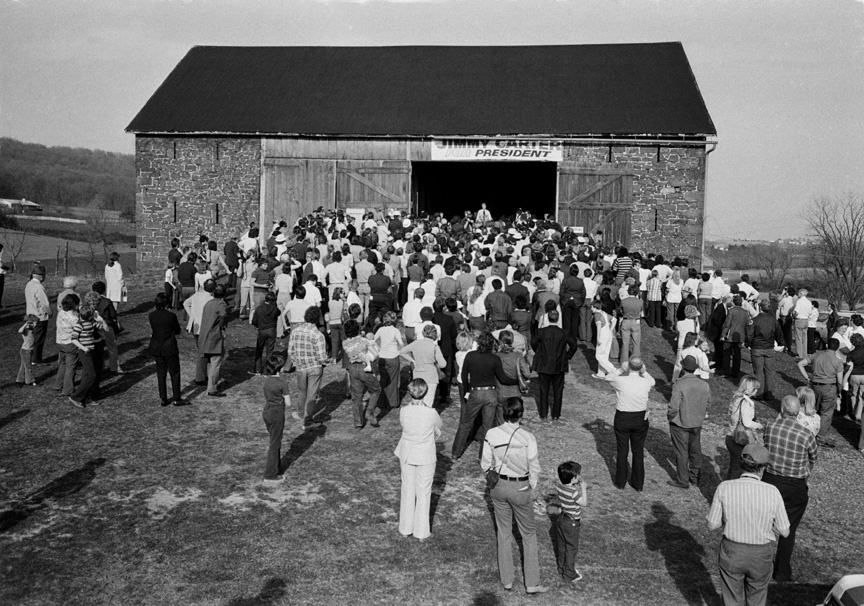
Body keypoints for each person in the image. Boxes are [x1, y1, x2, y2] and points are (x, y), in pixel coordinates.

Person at [707, 443, 790, 606]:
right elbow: (785, 531)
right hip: (761, 553)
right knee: (757, 597)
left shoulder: (725, 487)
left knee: (731, 598)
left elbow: (712, 525)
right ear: (763, 467)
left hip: (732, 550)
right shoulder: (772, 491)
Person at [481, 398, 547, 594]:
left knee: (503, 532)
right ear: (521, 414)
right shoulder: (528, 437)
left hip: (499, 487)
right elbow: (534, 466)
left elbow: (485, 463)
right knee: (528, 534)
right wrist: (531, 487)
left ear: (503, 413)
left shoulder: (491, 433)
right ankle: (532, 583)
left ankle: (507, 580)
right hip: (520, 487)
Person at [762, 395, 818, 583]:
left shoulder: (771, 427)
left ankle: (759, 564)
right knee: (789, 528)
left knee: (764, 523)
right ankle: (782, 571)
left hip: (771, 480)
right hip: (795, 484)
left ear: (782, 409)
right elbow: (813, 456)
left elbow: (765, 444)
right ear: (799, 412)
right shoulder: (806, 434)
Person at [452, 333, 518, 460]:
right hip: (490, 393)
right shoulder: (494, 359)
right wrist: (517, 381)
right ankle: (483, 456)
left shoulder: (470, 356)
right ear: (492, 344)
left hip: (475, 392)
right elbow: (503, 379)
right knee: (487, 427)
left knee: (466, 423)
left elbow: (464, 376)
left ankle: (456, 452)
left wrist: (467, 391)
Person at [394, 379, 442, 541]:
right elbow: (439, 426)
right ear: (426, 393)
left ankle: (405, 528)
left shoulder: (404, 411)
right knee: (423, 491)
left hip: (407, 452)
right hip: (425, 455)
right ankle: (421, 531)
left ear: (409, 393)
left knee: (408, 488)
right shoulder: (431, 413)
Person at [604, 356, 654, 491]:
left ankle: (621, 482)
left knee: (622, 450)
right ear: (641, 367)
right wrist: (644, 372)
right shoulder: (646, 382)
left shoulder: (621, 380)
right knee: (638, 451)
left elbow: (608, 377)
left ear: (629, 367)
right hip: (640, 418)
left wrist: (621, 369)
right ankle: (638, 484)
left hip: (623, 417)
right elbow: (652, 381)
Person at [667, 355, 711, 489]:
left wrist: (670, 417)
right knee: (695, 450)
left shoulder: (679, 384)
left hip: (680, 423)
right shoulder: (704, 385)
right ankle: (694, 477)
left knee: (681, 452)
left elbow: (673, 406)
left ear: (683, 368)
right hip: (697, 422)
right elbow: (708, 404)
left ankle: (682, 480)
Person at [797, 337, 844, 448]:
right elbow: (840, 380)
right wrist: (840, 391)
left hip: (815, 386)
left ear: (827, 345)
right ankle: (821, 438)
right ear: (837, 349)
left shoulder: (816, 355)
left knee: (813, 409)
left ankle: (808, 432)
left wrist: (807, 377)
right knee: (826, 413)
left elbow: (800, 364)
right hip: (829, 387)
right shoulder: (838, 362)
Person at [531, 309, 576, 421]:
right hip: (558, 365)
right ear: (558, 319)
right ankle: (556, 414)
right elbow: (574, 345)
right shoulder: (563, 333)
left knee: (543, 390)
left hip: (544, 364)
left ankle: (543, 413)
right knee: (558, 391)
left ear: (548, 318)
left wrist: (539, 352)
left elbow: (533, 342)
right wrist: (567, 355)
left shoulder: (541, 332)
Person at [288, 306, 328, 430]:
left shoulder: (295, 331)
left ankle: (300, 414)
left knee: (302, 392)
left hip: (300, 367)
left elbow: (290, 351)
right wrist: (326, 361)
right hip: (314, 367)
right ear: (317, 319)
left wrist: (296, 362)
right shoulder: (318, 335)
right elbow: (321, 357)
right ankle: (307, 421)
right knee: (312, 395)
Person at [343, 319, 383, 428]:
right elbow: (375, 354)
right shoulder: (363, 341)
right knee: (376, 389)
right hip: (364, 367)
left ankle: (358, 423)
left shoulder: (345, 343)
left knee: (356, 397)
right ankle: (369, 412)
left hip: (352, 368)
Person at [554, 461, 587, 587]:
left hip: (562, 519)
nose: (579, 477)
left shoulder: (559, 487)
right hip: (572, 522)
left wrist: (575, 484)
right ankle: (569, 574)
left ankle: (561, 567)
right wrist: (583, 488)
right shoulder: (574, 492)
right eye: (578, 475)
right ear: (573, 479)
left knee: (562, 546)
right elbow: (583, 503)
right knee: (571, 548)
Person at [68, 302, 107, 408]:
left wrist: (101, 321)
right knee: (91, 375)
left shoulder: (91, 323)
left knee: (87, 375)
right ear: (89, 316)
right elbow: (73, 339)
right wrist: (84, 348)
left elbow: (104, 329)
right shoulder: (79, 325)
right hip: (84, 352)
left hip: (91, 351)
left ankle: (86, 397)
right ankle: (76, 396)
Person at [148, 292, 183, 407]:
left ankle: (163, 398)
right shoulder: (171, 316)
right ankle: (177, 397)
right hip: (170, 347)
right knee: (175, 372)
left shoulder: (152, 315)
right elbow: (177, 330)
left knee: (161, 373)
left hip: (157, 347)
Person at [725, 376, 763, 480]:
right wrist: (758, 425)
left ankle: (727, 486)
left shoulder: (736, 398)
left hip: (730, 435)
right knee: (738, 470)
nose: (756, 391)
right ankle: (732, 492)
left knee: (733, 466)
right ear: (749, 389)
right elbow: (746, 423)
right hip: (740, 439)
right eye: (755, 389)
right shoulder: (746, 403)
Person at [399, 324, 446, 408]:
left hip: (418, 375)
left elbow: (402, 352)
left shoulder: (416, 343)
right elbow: (443, 364)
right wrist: (435, 364)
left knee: (417, 400)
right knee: (428, 402)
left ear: (423, 333)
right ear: (435, 334)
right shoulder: (435, 347)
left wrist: (412, 360)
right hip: (431, 376)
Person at [261, 351, 292, 483]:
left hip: (267, 411)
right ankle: (270, 475)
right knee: (275, 443)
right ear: (279, 368)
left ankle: (276, 466)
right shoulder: (282, 383)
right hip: (277, 413)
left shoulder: (267, 381)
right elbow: (288, 403)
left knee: (274, 439)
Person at [749, 299, 783, 402]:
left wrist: (748, 344)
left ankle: (758, 393)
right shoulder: (774, 321)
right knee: (769, 371)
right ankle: (768, 394)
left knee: (758, 371)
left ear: (759, 307)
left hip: (757, 348)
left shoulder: (754, 320)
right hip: (769, 348)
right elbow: (779, 333)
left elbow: (749, 334)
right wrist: (781, 342)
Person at [197, 284, 228, 397]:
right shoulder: (221, 303)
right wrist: (222, 329)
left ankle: (209, 383)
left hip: (204, 335)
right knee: (216, 362)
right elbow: (223, 315)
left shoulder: (208, 303)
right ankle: (212, 389)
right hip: (215, 336)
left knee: (210, 362)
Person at [93, 281, 124, 375]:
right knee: (112, 348)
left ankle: (99, 367)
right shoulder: (107, 301)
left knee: (98, 348)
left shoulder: (90, 301)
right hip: (107, 326)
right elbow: (113, 314)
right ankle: (115, 367)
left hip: (95, 327)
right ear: (104, 290)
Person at [375, 311, 404, 410]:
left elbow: (372, 340)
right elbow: (401, 343)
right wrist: (400, 350)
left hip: (382, 357)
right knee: (393, 380)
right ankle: (392, 402)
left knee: (383, 379)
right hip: (393, 356)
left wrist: (378, 349)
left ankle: (381, 402)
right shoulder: (396, 331)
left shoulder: (380, 330)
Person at [53, 293, 80, 396]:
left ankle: (58, 384)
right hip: (70, 344)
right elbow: (78, 329)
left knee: (63, 364)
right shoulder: (73, 318)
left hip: (60, 342)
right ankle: (68, 389)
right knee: (71, 366)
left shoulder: (61, 313)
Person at [721, 295, 752, 379]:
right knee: (737, 355)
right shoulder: (745, 312)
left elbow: (727, 324)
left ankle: (726, 372)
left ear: (733, 302)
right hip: (740, 336)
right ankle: (736, 372)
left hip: (730, 335)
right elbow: (748, 324)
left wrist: (723, 335)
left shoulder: (731, 311)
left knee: (727, 354)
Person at [24, 264, 50, 364]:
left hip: (29, 315)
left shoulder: (28, 284)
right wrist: (49, 312)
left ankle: (29, 356)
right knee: (39, 338)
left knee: (30, 337)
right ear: (41, 276)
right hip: (39, 316)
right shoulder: (39, 287)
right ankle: (36, 359)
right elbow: (44, 303)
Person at [251, 292, 280, 376]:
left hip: (262, 330)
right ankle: (267, 370)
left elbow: (254, 321)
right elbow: (279, 312)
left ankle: (257, 369)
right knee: (270, 350)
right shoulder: (274, 309)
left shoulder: (259, 308)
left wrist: (258, 326)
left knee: (259, 349)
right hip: (272, 330)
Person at [591, 300, 617, 379]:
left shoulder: (597, 315)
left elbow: (598, 325)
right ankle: (601, 373)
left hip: (602, 335)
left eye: (591, 307)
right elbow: (614, 320)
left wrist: (598, 337)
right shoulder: (604, 313)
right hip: (608, 334)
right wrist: (611, 330)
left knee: (599, 356)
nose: (591, 309)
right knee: (604, 355)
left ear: (595, 307)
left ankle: (613, 370)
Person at [619, 284, 642, 362]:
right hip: (636, 321)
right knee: (636, 342)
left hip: (626, 321)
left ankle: (624, 361)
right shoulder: (640, 302)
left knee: (625, 343)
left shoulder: (623, 301)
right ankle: (635, 360)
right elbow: (641, 311)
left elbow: (621, 311)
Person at [16, 314, 38, 387]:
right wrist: (26, 323)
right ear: (31, 322)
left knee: (23, 366)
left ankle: (19, 381)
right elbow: (19, 331)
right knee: (28, 367)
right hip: (25, 351)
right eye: (35, 322)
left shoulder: (32, 330)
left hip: (29, 350)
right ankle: (30, 381)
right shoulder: (26, 330)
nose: (36, 324)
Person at [791, 288, 812, 360]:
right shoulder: (809, 302)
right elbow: (810, 312)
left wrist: (793, 315)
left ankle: (800, 354)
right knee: (804, 338)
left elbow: (796, 311)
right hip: (806, 320)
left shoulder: (799, 301)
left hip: (799, 320)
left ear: (800, 294)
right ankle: (804, 354)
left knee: (798, 338)